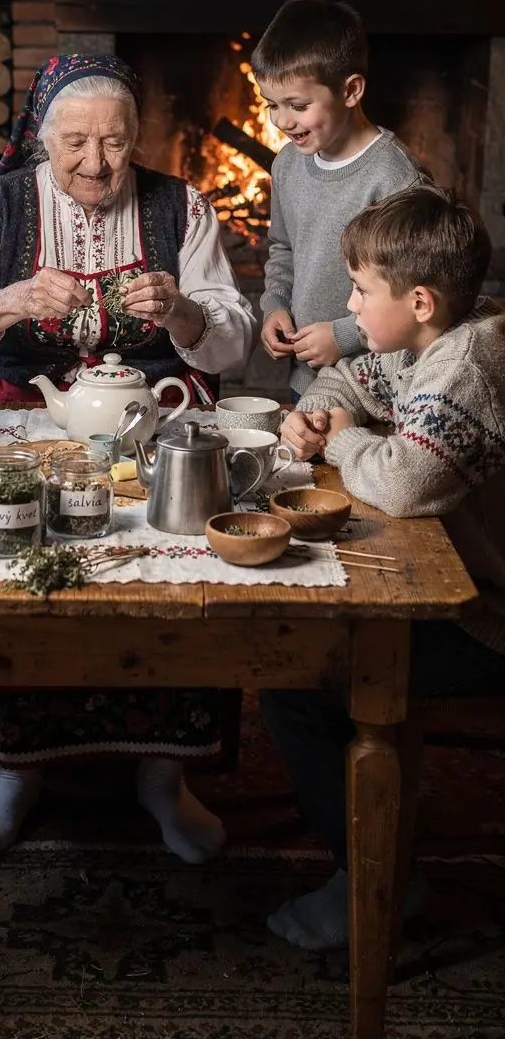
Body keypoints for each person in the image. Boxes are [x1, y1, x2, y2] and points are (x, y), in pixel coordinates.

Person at [0, 52, 257, 861]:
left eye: (115, 142)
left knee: (179, 571)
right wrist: (11, 301)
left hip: (153, 420)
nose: (96, 163)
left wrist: (184, 311)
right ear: (41, 136)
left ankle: (165, 777)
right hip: (25, 414)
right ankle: (16, 769)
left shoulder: (182, 207)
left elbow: (233, 340)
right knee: (17, 571)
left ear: (137, 136)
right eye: (74, 143)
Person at [262, 186, 505, 952]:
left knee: (297, 674)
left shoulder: (467, 363)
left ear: (421, 299)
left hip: (489, 615)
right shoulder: (421, 343)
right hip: (461, 582)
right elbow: (354, 380)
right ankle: (368, 846)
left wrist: (335, 445)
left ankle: (373, 882)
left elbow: (402, 481)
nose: (351, 309)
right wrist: (325, 409)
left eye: (362, 292)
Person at [253, 0, 425, 401]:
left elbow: (415, 289)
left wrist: (345, 336)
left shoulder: (395, 177)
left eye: (297, 105)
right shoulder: (287, 166)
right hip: (306, 380)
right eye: (271, 104)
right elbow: (283, 247)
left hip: (375, 385)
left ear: (350, 91)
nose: (281, 120)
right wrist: (274, 305)